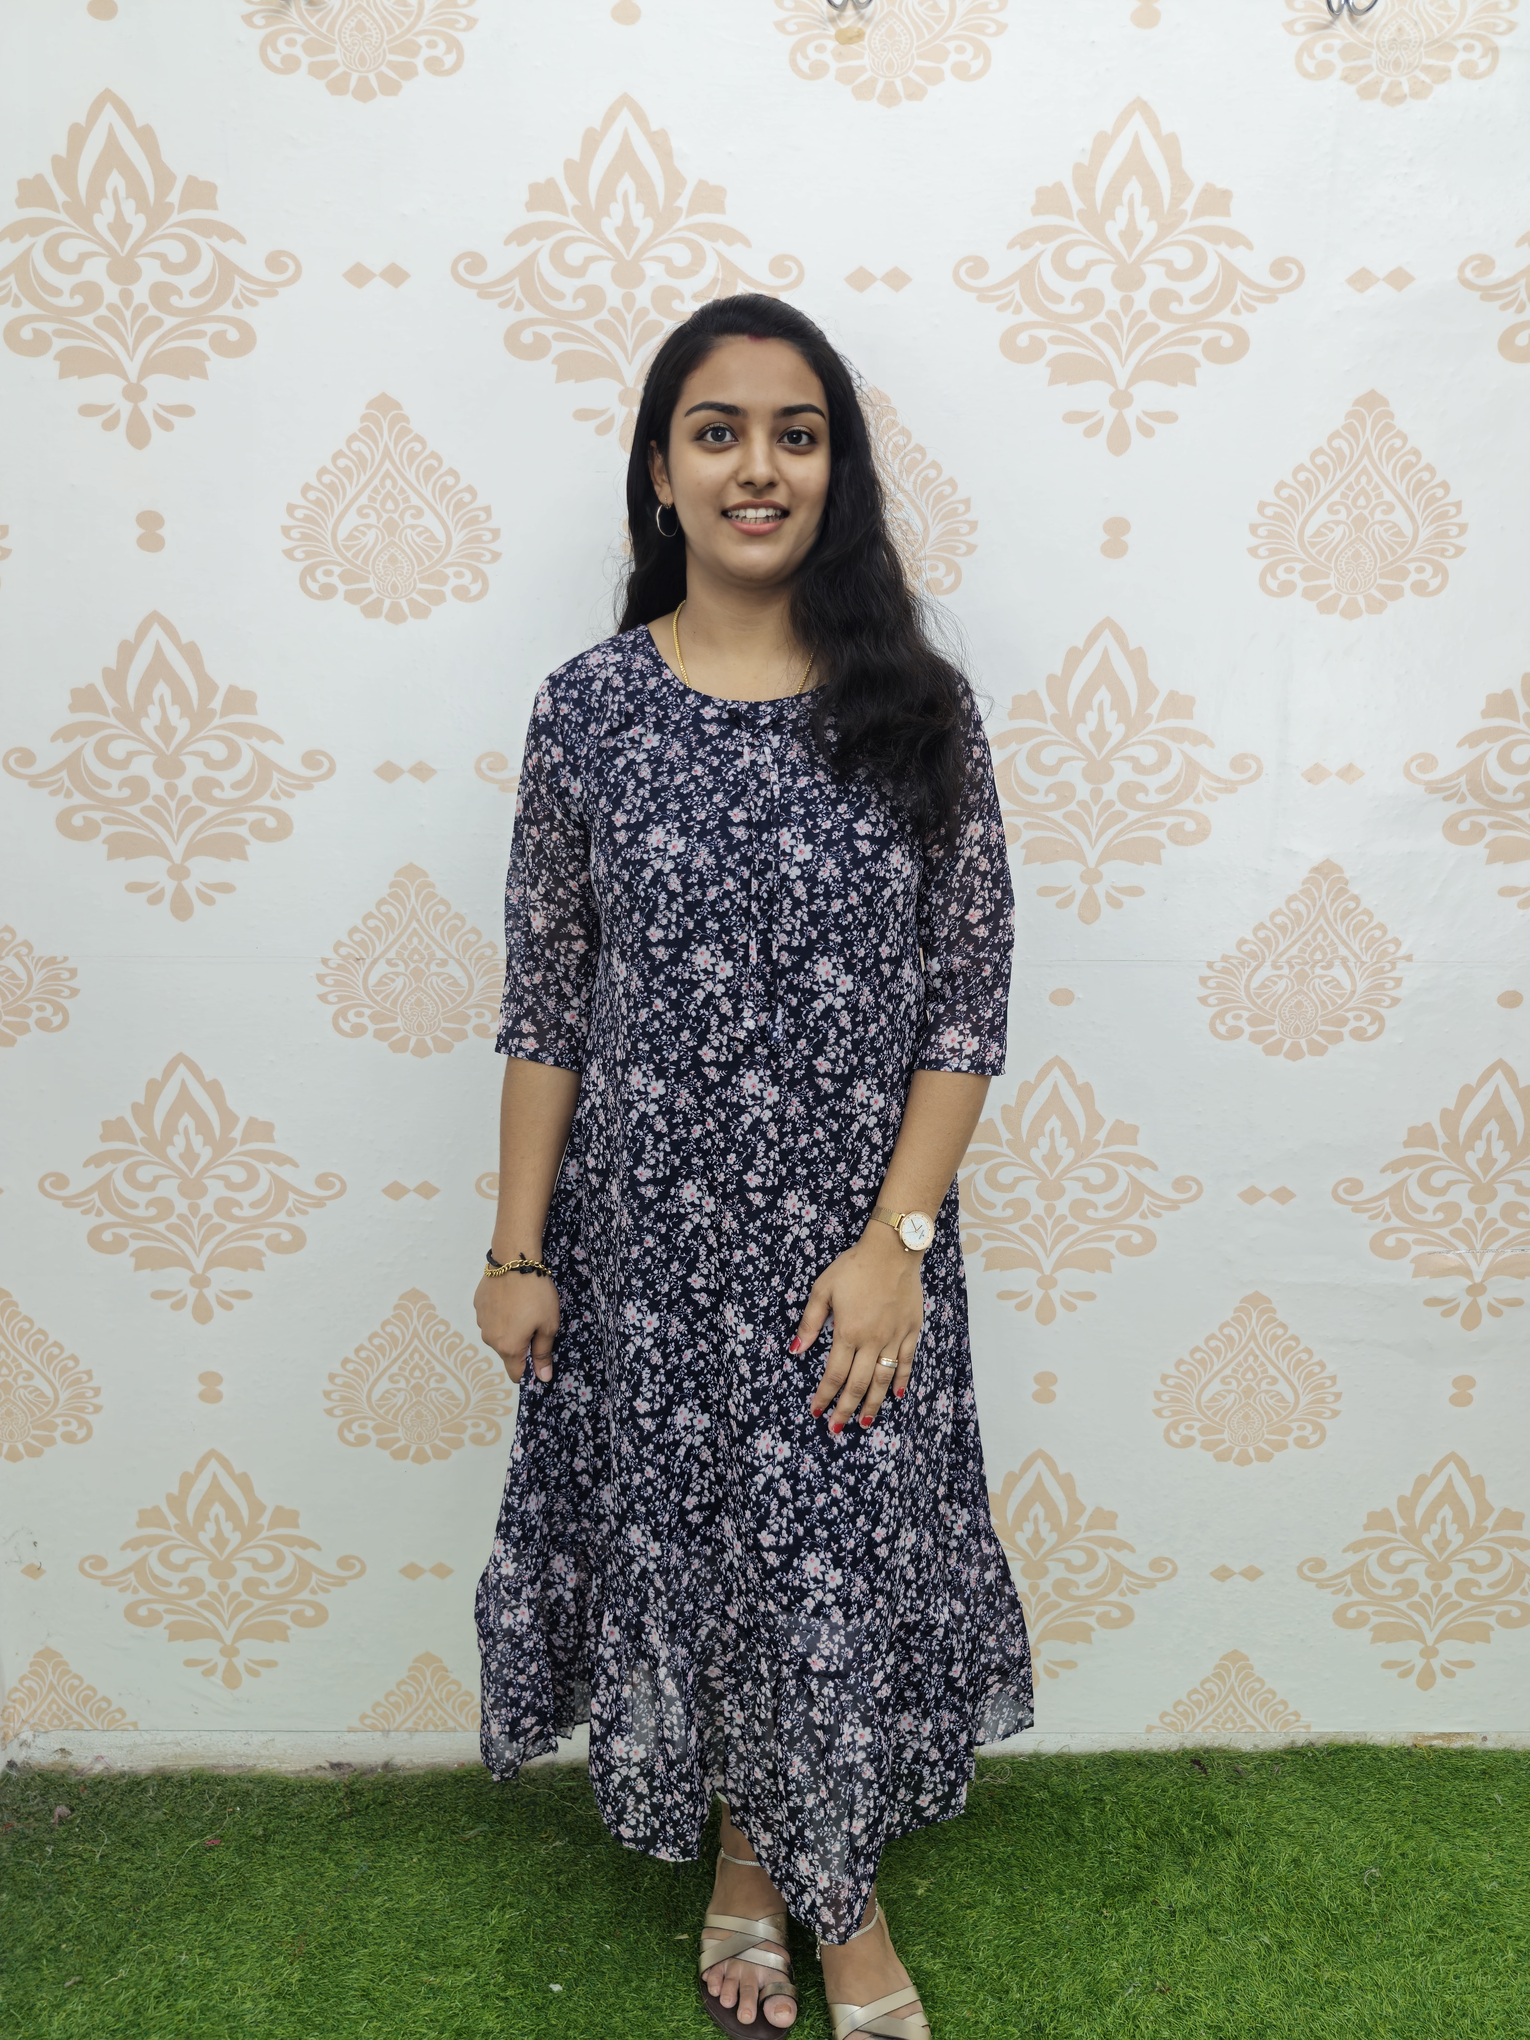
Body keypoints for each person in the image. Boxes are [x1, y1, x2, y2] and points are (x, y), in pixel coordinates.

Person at [474, 294, 1032, 2038]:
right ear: (659, 472)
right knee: (711, 1567)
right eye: (715, 432)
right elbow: (547, 1000)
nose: (756, 467)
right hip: (643, 1249)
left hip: (849, 1253)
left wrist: (896, 1247)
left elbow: (965, 1006)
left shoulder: (915, 708)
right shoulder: (588, 710)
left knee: (825, 1573)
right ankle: (749, 1856)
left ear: (834, 471)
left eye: (796, 433)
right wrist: (517, 1253)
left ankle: (834, 1915)